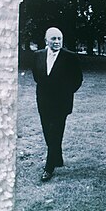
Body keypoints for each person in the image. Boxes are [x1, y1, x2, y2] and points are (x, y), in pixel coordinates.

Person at [32, 27, 83, 182]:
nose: (57, 42)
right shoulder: (37, 55)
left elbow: (78, 79)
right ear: (46, 40)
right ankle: (58, 157)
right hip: (43, 101)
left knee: (55, 132)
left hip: (61, 102)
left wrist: (66, 92)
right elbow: (36, 76)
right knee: (47, 131)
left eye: (59, 38)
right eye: (53, 38)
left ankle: (49, 168)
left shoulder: (70, 57)